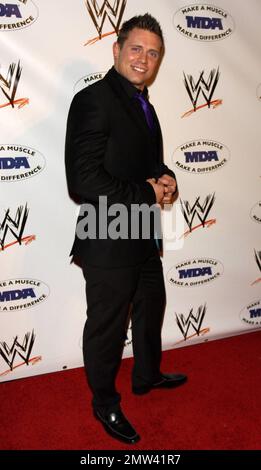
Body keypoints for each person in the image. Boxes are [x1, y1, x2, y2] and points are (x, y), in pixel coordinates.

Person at [65, 13, 187, 444]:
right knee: (108, 327)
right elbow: (82, 180)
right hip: (108, 233)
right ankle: (105, 403)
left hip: (141, 230)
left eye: (153, 53)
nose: (144, 58)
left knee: (152, 305)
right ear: (116, 50)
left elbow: (148, 164)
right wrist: (146, 193)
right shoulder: (94, 100)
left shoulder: (144, 105)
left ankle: (146, 375)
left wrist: (167, 179)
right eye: (136, 48)